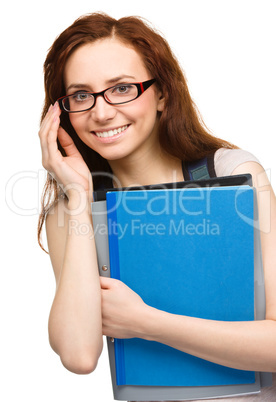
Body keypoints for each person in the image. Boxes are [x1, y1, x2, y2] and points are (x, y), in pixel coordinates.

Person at [38, 12, 276, 401]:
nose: (101, 112)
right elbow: (78, 355)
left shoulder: (233, 174)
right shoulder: (69, 213)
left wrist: (146, 322)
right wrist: (80, 198)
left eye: (122, 88)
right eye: (81, 95)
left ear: (162, 94)